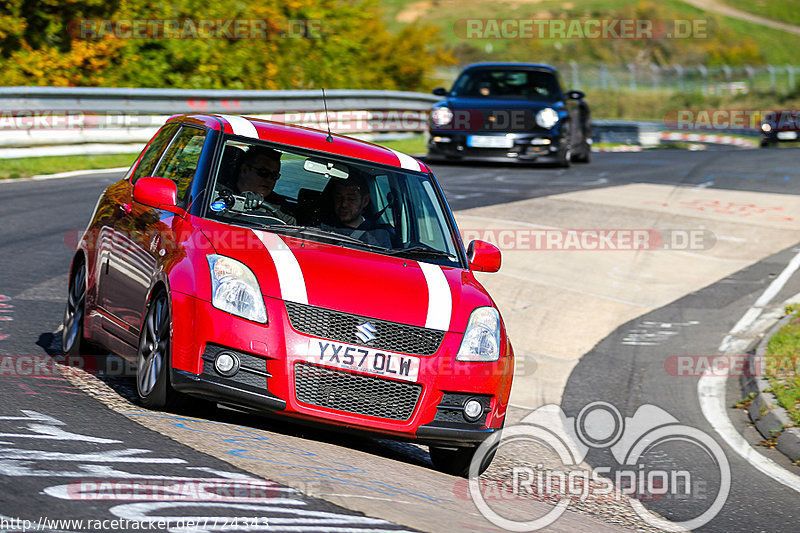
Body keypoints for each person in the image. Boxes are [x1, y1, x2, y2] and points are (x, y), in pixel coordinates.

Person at [227, 145, 296, 224]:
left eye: (274, 175)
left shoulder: (282, 210)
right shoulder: (218, 194)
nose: (269, 180)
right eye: (263, 173)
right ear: (244, 170)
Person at [324, 175, 394, 248]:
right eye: (338, 198)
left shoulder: (378, 236)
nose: (343, 204)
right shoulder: (320, 228)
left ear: (365, 201)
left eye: (351, 199)